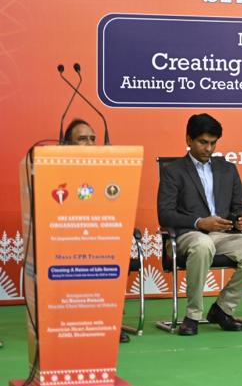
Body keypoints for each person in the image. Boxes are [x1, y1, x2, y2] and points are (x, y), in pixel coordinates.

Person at [156, 113, 242, 335]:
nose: (208, 148)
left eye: (213, 143)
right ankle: (193, 315)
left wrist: (241, 219)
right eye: (203, 142)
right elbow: (165, 215)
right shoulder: (174, 171)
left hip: (223, 235)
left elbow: (241, 206)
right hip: (186, 235)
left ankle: (223, 309)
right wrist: (200, 222)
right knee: (202, 244)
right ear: (189, 140)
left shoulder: (227, 169)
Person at [63, 119, 133, 344]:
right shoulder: (55, 171)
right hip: (67, 238)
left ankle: (110, 321)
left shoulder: (107, 171)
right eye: (82, 139)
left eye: (93, 139)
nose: (90, 143)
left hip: (101, 236)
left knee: (111, 255)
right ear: (67, 145)